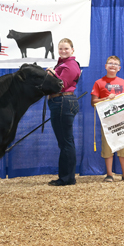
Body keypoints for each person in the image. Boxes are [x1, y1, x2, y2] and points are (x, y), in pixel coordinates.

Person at [91, 55, 124, 183]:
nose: (112, 65)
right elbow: (93, 102)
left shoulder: (122, 82)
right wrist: (106, 99)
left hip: (122, 119)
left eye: (115, 64)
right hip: (107, 121)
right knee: (107, 147)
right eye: (110, 63)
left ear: (119, 68)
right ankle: (109, 175)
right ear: (105, 66)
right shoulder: (99, 82)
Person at [46, 38, 81, 186]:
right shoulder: (63, 64)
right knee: (66, 141)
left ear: (72, 50)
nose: (63, 51)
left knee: (66, 142)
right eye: (60, 49)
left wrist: (51, 73)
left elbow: (60, 85)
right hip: (62, 102)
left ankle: (67, 178)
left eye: (66, 48)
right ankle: (67, 176)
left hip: (62, 102)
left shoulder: (70, 65)